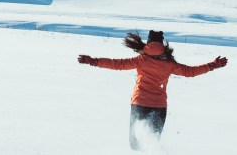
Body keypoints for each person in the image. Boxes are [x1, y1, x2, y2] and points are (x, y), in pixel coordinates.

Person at [77, 30, 228, 151]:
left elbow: (117, 64)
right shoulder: (169, 63)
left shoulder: (141, 60)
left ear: (148, 43)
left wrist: (94, 61)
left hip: (139, 104)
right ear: (162, 44)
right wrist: (212, 65)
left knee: (135, 144)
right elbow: (191, 72)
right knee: (151, 144)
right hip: (159, 106)